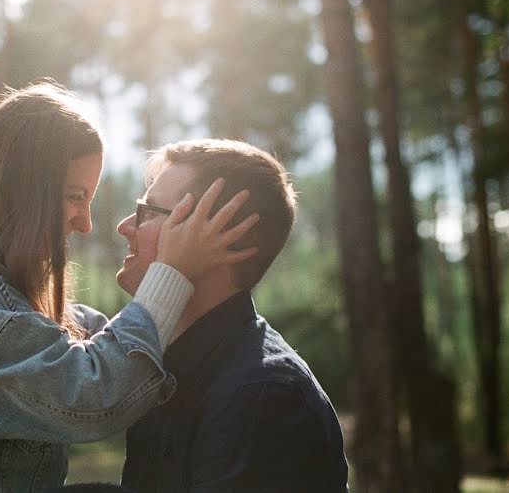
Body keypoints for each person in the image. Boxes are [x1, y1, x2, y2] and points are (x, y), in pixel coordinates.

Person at [0, 84, 259, 492]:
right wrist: (172, 273)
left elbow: (88, 337)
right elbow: (91, 395)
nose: (85, 223)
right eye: (75, 196)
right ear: (22, 187)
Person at [118, 139, 349, 492]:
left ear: (221, 237)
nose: (125, 226)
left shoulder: (262, 397)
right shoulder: (168, 369)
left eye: (149, 212)